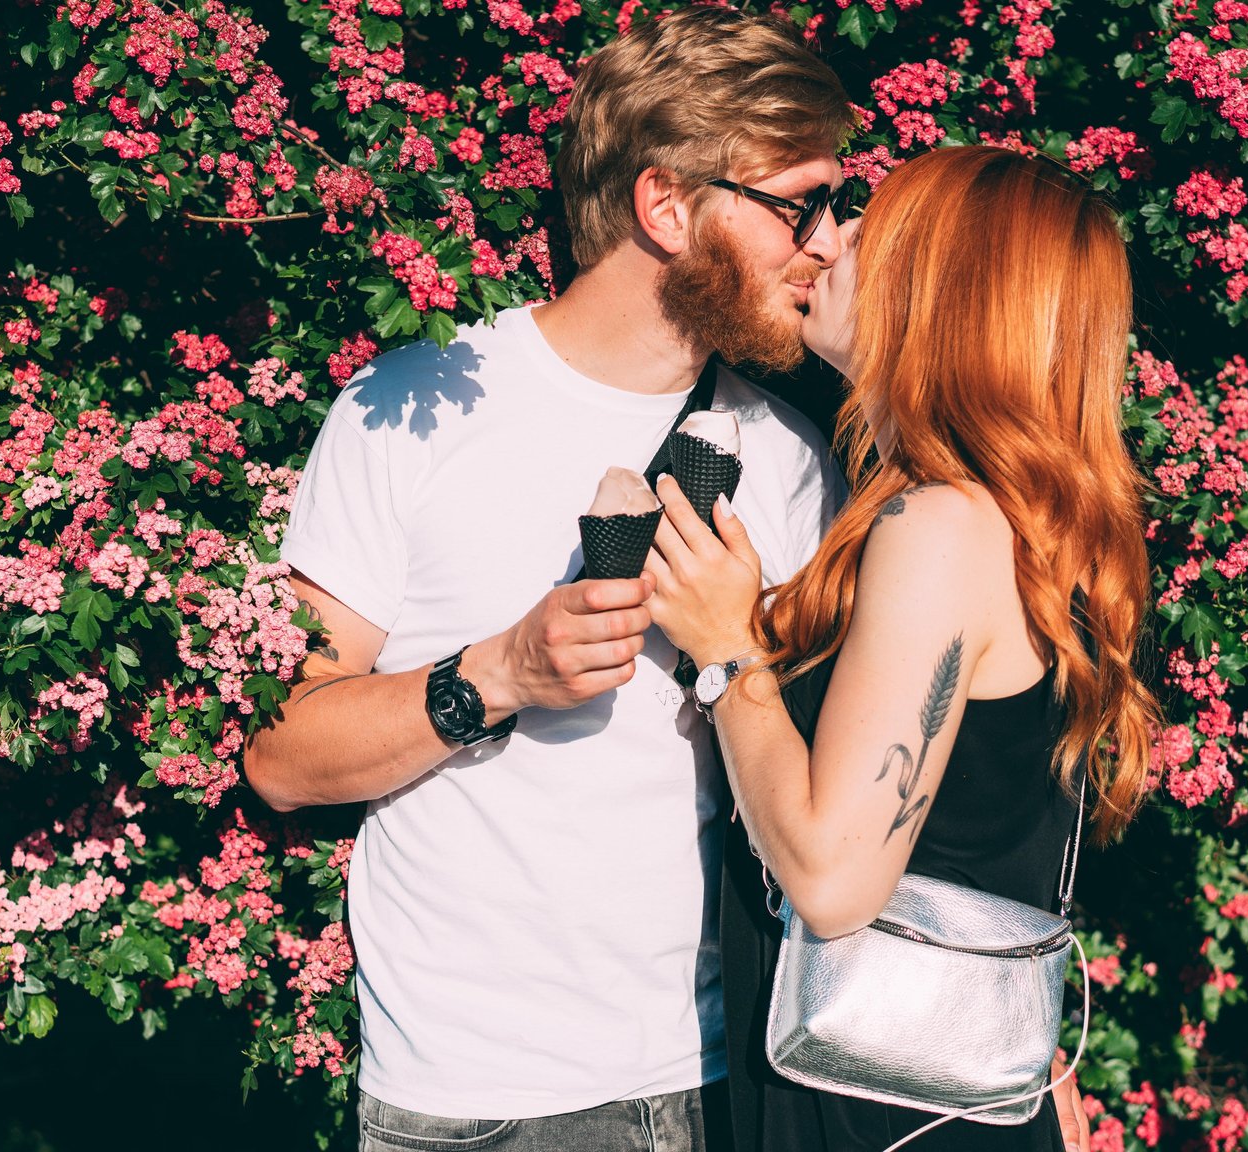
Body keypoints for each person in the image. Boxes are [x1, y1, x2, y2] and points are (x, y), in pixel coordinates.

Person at [243, 10, 852, 1150]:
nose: (825, 242)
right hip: (489, 1102)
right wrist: (500, 672)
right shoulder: (415, 409)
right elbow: (280, 755)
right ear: (665, 205)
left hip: (740, 1083)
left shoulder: (787, 457)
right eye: (794, 205)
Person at [642, 145, 1161, 1152]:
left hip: (881, 1112)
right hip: (941, 1102)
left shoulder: (941, 528)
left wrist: (724, 652)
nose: (823, 242)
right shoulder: (1013, 520)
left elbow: (832, 884)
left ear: (945, 294)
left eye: (868, 234)